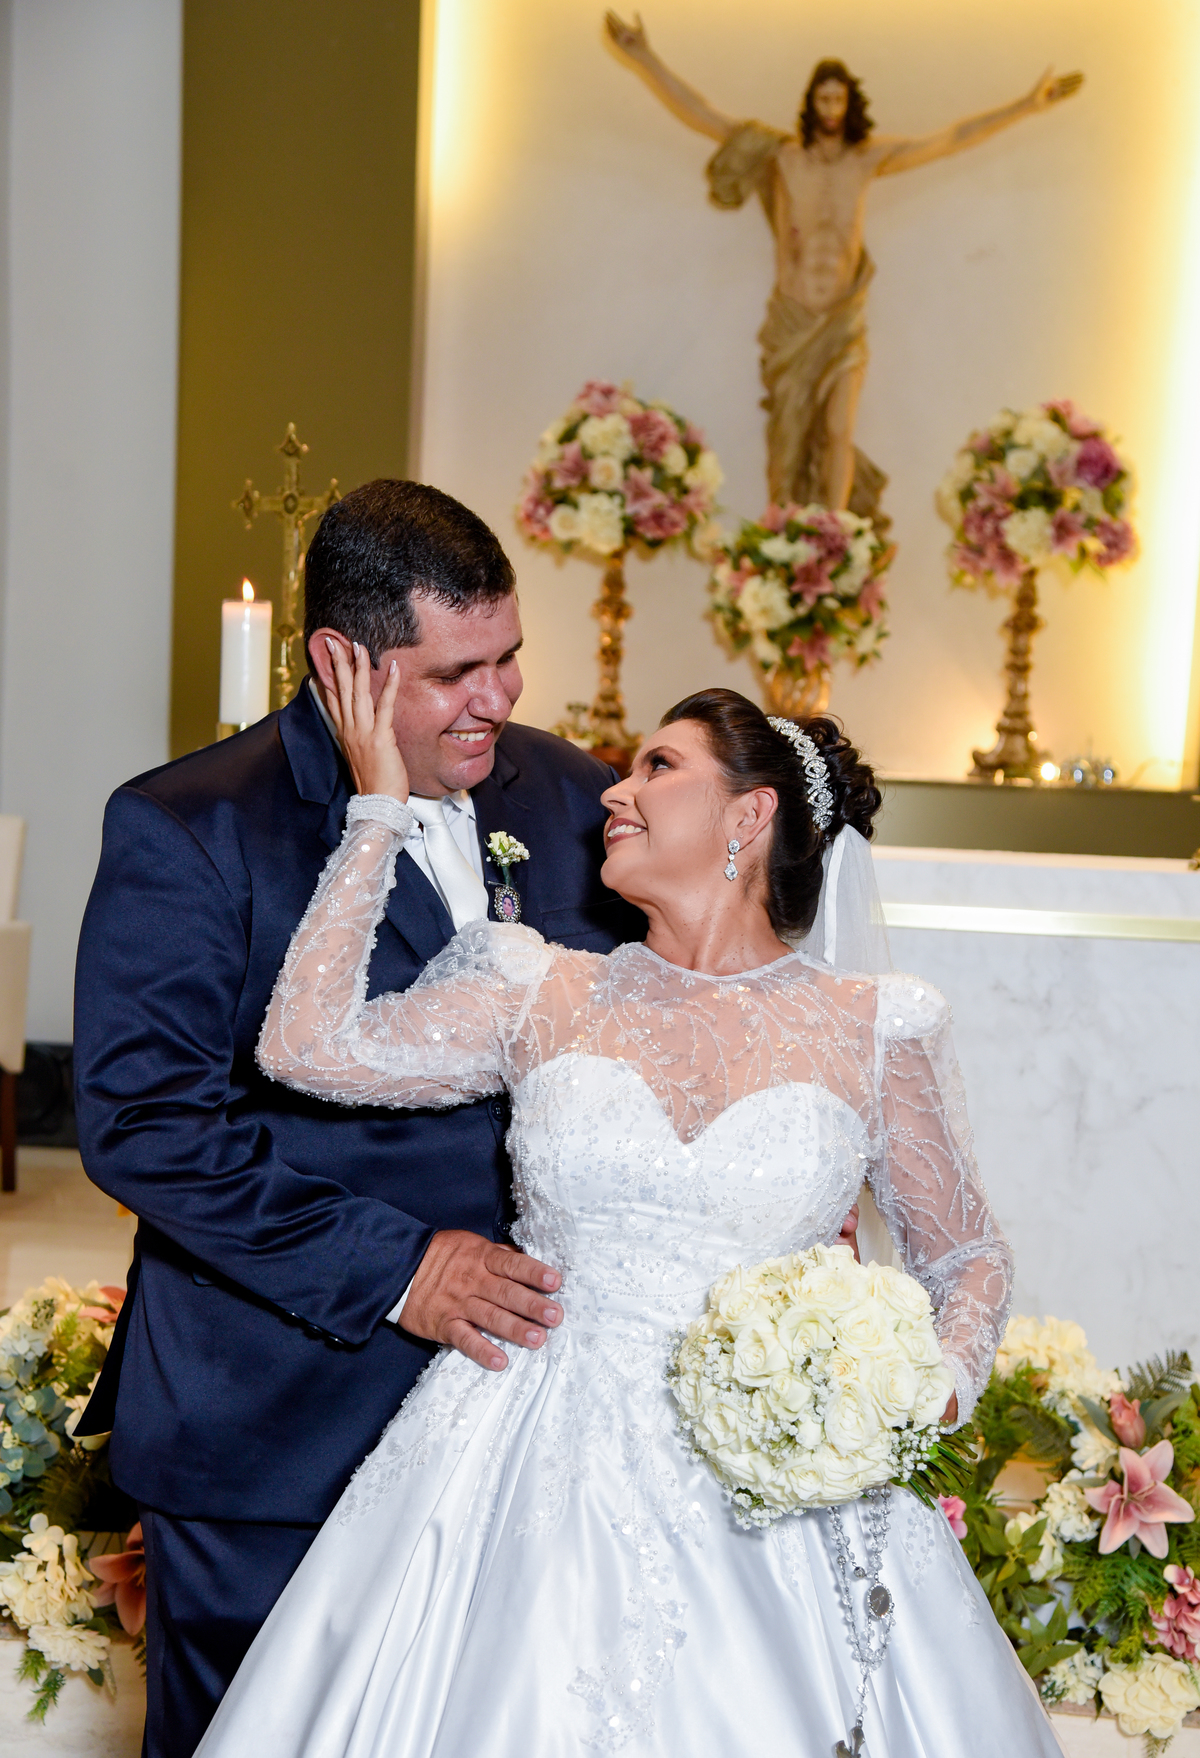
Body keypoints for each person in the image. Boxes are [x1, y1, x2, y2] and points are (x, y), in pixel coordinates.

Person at [195, 659, 1064, 1757]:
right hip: (526, 1456)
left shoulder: (874, 1028)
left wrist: (923, 1391)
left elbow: (969, 1254)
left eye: (658, 766)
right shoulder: (543, 989)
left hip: (778, 1475)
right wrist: (378, 812)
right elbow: (304, 1046)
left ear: (748, 815)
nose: (615, 789)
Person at [72, 479, 652, 1757]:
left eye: (509, 658)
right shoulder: (191, 825)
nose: (497, 698)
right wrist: (401, 1268)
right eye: (455, 674)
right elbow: (146, 1125)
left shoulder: (572, 796)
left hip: (526, 1420)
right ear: (343, 660)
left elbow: (667, 1023)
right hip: (274, 1422)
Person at [604, 13, 1082, 518]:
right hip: (792, 321)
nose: (831, 109)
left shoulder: (867, 158)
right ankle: (781, 530)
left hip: (843, 321)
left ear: (850, 104)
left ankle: (834, 533)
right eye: (823, 99)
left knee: (839, 430)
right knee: (786, 441)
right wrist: (644, 58)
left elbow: (951, 137)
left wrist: (1026, 105)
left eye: (838, 99)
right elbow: (703, 113)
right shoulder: (783, 156)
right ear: (810, 103)